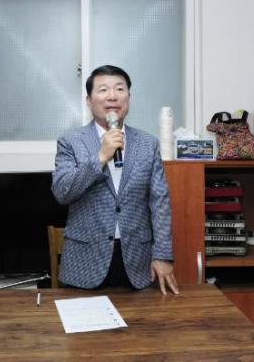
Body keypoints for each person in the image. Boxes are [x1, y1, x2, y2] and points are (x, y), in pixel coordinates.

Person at [51, 65, 179, 295]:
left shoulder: (148, 144)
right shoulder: (70, 142)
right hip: (84, 263)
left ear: (128, 97)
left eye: (120, 89)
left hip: (139, 263)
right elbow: (62, 192)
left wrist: (163, 254)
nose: (112, 96)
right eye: (103, 90)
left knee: (148, 318)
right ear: (89, 100)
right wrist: (101, 157)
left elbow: (159, 202)